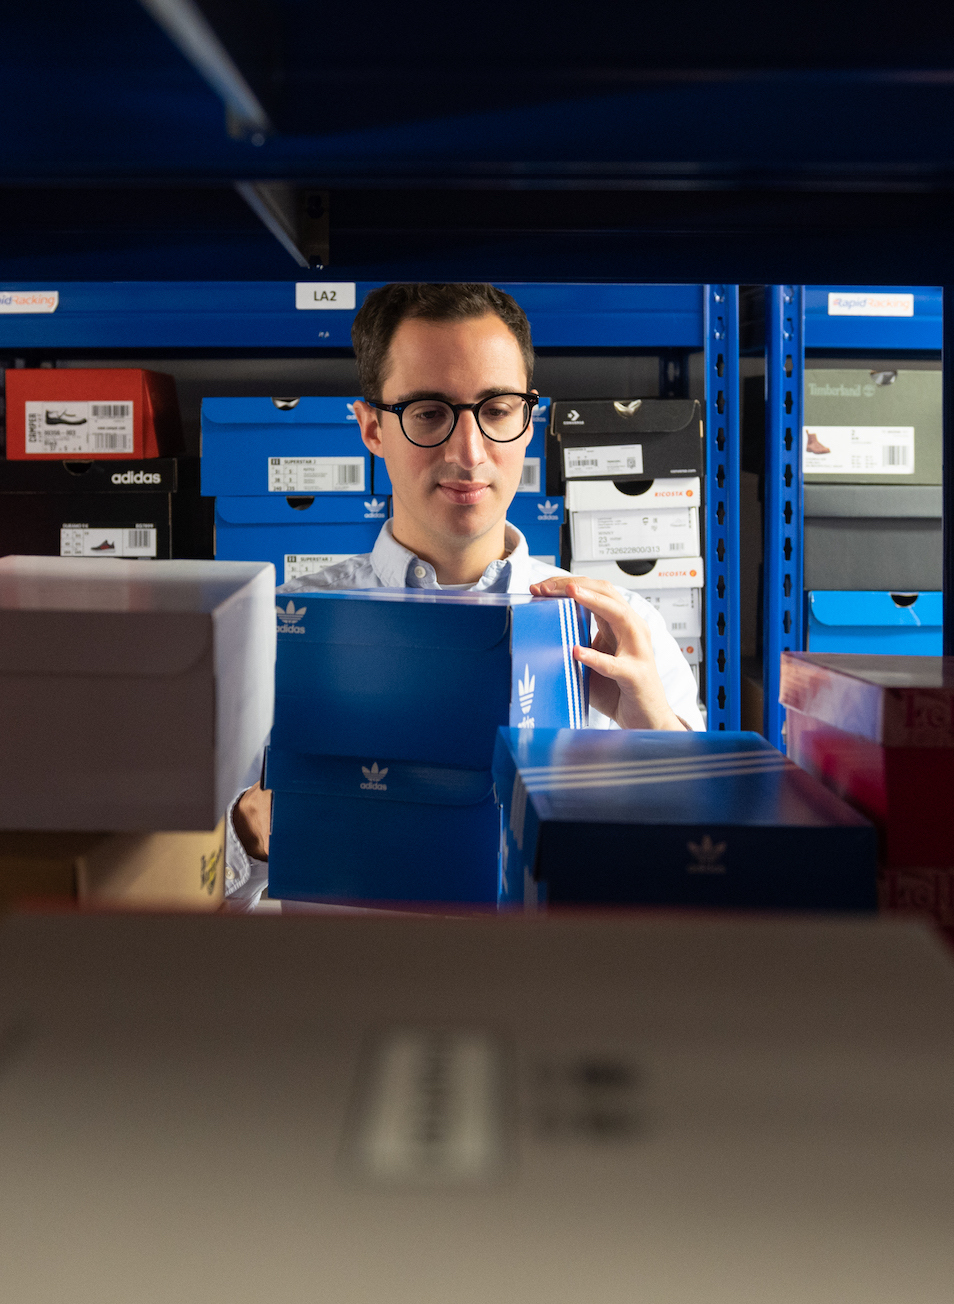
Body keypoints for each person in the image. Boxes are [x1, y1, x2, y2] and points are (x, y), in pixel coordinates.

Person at [224, 282, 701, 901]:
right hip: (346, 987)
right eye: (429, 412)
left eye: (497, 410)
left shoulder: (622, 629)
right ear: (371, 427)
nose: (468, 452)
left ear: (531, 422)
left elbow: (695, 889)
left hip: (556, 988)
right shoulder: (275, 632)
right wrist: (241, 837)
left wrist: (654, 730)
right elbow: (196, 903)